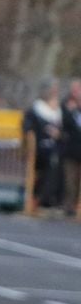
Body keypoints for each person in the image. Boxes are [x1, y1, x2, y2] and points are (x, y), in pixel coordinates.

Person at [23, 80, 64, 210]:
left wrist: (58, 134)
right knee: (43, 168)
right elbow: (28, 127)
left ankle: (46, 200)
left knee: (55, 167)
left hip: (53, 147)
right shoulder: (36, 108)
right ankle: (34, 199)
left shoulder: (57, 110)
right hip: (38, 148)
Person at [62, 79, 81, 216]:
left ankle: (77, 205)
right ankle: (69, 206)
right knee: (70, 181)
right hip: (71, 151)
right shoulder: (68, 109)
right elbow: (65, 125)